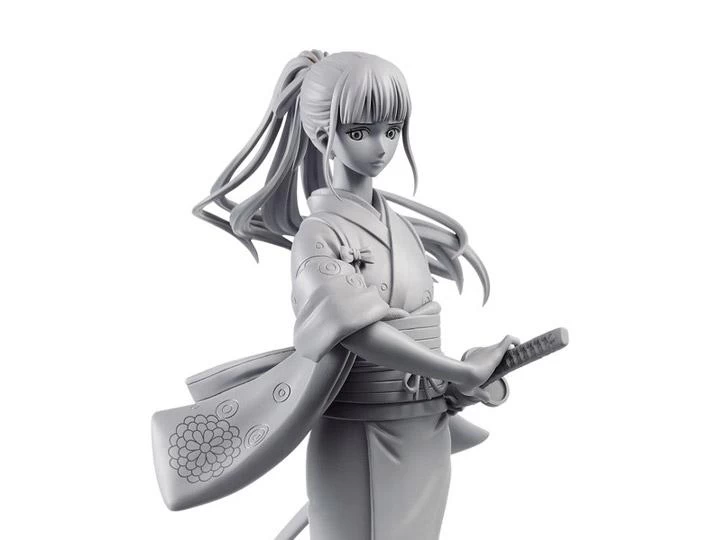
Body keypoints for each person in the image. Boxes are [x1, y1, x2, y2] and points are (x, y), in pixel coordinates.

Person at [153, 50, 518, 540]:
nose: (382, 146)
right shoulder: (318, 234)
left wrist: (463, 382)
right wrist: (457, 371)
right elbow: (356, 334)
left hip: (424, 434)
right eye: (361, 131)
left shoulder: (405, 230)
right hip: (357, 430)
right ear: (325, 137)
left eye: (392, 130)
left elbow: (417, 343)